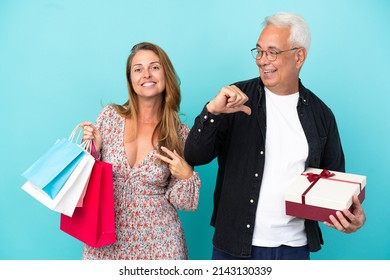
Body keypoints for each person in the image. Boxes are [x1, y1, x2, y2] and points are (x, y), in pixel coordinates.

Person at [184, 12, 366, 260]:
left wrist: (351, 215)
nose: (262, 60)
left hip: (293, 250)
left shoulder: (322, 115)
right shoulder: (235, 99)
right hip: (234, 246)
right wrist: (212, 111)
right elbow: (195, 155)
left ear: (299, 56)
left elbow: (335, 185)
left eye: (272, 52)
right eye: (259, 51)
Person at [80, 42, 200, 260]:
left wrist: (187, 176)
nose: (146, 74)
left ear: (166, 74)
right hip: (106, 238)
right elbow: (86, 183)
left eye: (154, 67)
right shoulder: (109, 117)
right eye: (138, 69)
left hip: (160, 244)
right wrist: (93, 151)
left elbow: (183, 203)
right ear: (131, 79)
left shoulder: (179, 134)